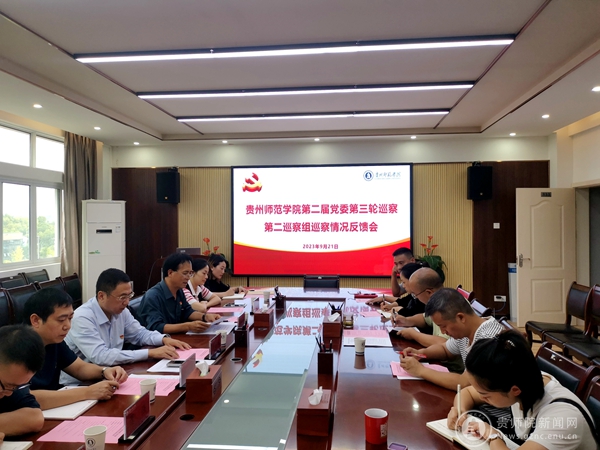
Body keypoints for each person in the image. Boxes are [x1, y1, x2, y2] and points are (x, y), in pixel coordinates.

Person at [448, 331, 596, 449]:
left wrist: (492, 435)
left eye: (485, 395)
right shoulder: (522, 377)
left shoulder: (561, 419)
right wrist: (460, 411)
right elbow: (467, 393)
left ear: (515, 390)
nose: (482, 398)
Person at [64, 268, 191, 372]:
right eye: (122, 297)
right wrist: (149, 353)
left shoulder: (121, 311)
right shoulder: (82, 317)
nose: (127, 302)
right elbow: (101, 356)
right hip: (80, 383)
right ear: (101, 296)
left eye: (129, 295)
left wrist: (164, 339)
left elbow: (139, 334)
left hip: (113, 373)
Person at [24, 289, 128, 410]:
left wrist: (105, 371)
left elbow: (79, 368)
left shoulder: (53, 341)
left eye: (70, 318)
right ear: (36, 320)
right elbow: (24, 397)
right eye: (61, 320)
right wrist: (87, 392)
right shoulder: (15, 348)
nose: (68, 326)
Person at [400, 287, 504, 390]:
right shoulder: (466, 331)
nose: (443, 332)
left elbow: (464, 383)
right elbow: (445, 349)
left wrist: (420, 371)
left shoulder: (488, 339)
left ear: (460, 317)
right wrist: (420, 353)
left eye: (443, 326)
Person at [139, 253, 220, 333]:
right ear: (170, 273)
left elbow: (187, 312)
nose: (188, 277)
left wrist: (205, 317)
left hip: (175, 336)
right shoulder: (153, 296)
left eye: (190, 273)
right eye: (185, 273)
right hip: (159, 339)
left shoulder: (179, 291)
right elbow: (156, 327)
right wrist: (188, 326)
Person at [0, 325, 45, 436]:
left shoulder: (11, 384)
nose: (9, 393)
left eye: (17, 387)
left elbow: (34, 418)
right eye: (6, 385)